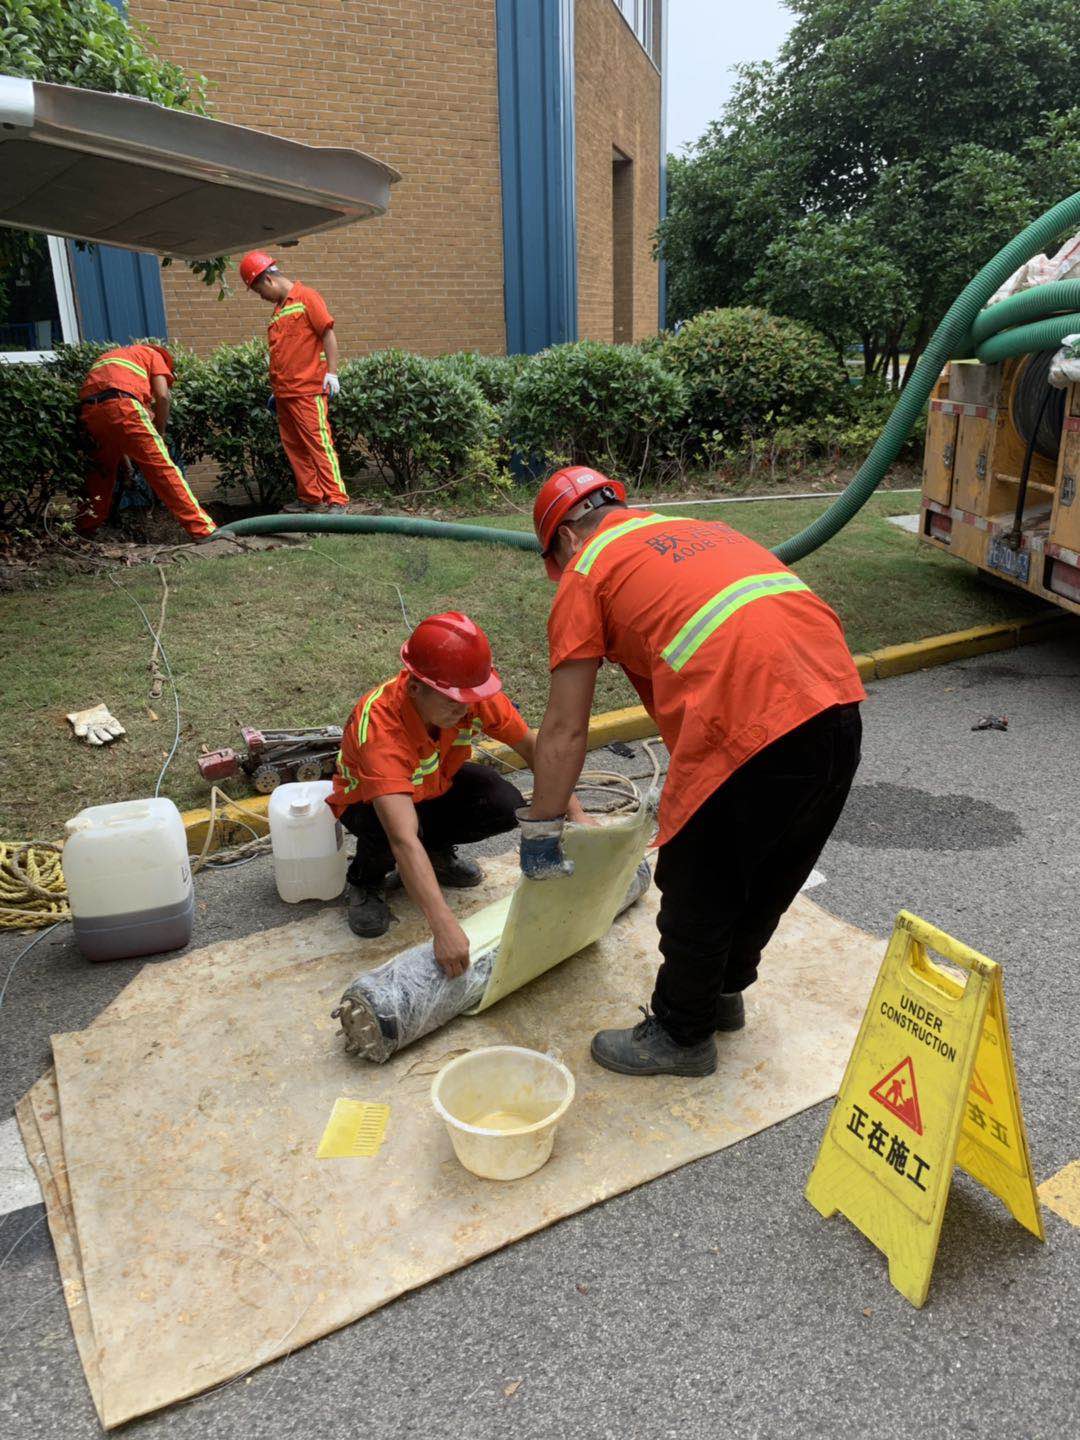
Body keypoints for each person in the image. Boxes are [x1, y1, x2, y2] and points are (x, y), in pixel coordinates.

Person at [519, 467, 865, 1077]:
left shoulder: (587, 570)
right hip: (836, 705)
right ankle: (719, 992)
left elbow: (566, 729)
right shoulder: (697, 529)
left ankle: (682, 1034)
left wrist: (543, 830)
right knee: (765, 866)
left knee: (696, 878)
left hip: (753, 722)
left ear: (566, 540)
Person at [327, 611, 586, 976]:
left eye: (469, 698)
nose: (464, 708)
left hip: (431, 789)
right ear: (415, 687)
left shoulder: (466, 694)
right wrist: (443, 926)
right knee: (393, 835)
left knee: (502, 804)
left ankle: (435, 854)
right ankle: (366, 881)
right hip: (368, 805)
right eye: (452, 701)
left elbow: (533, 747)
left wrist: (576, 816)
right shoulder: (381, 728)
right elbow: (402, 838)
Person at [238, 250, 348, 514]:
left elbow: (327, 333)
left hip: (308, 390)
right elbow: (284, 353)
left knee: (318, 443)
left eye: (259, 292)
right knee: (295, 447)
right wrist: (277, 389)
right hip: (285, 394)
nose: (262, 298)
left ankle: (337, 499)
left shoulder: (306, 297)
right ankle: (310, 498)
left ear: (269, 281)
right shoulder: (278, 311)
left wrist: (332, 373)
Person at [76, 342, 216, 542]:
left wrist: (126, 466)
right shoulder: (154, 355)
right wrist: (160, 432)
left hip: (90, 411)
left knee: (100, 475)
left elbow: (114, 428)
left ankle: (84, 532)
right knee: (163, 469)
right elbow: (163, 396)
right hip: (124, 405)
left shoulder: (117, 357)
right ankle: (204, 530)